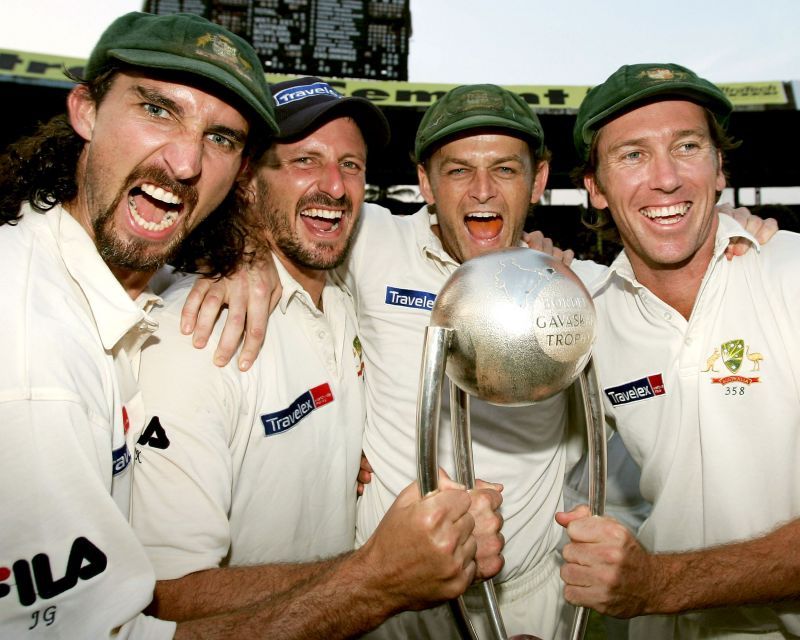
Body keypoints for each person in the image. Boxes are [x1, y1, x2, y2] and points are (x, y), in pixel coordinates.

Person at [184, 82, 773, 639]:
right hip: (391, 595)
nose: (484, 191)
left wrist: (732, 228)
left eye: (507, 170)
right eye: (459, 170)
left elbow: (671, 270)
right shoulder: (370, 245)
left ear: (538, 179)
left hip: (532, 593)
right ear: (424, 182)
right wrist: (244, 258)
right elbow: (288, 208)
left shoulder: (582, 290)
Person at [129, 76, 504, 639]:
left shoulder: (343, 302)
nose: (335, 185)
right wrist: (381, 573)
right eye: (305, 160)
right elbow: (164, 594)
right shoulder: (200, 332)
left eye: (351, 165)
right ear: (249, 182)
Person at [0, 10, 285, 639]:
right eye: (158, 110)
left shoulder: (105, 269)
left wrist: (241, 256)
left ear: (239, 173)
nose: (185, 163)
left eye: (221, 138)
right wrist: (376, 582)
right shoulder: (31, 370)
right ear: (85, 111)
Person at [558, 62, 800, 639]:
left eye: (687, 146)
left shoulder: (791, 274)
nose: (665, 179)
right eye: (632, 155)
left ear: (720, 168)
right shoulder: (582, 311)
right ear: (594, 185)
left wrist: (662, 582)